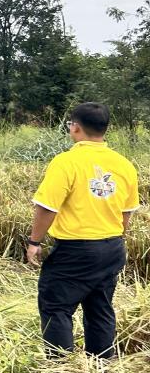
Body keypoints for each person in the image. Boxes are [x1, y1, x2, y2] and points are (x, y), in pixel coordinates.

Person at [28, 102, 139, 359]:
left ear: (75, 128)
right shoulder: (124, 165)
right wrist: (113, 238)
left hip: (75, 250)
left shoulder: (66, 162)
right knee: (100, 308)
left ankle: (62, 371)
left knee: (55, 306)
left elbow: (47, 208)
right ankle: (102, 367)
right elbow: (127, 212)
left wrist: (34, 241)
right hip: (112, 247)